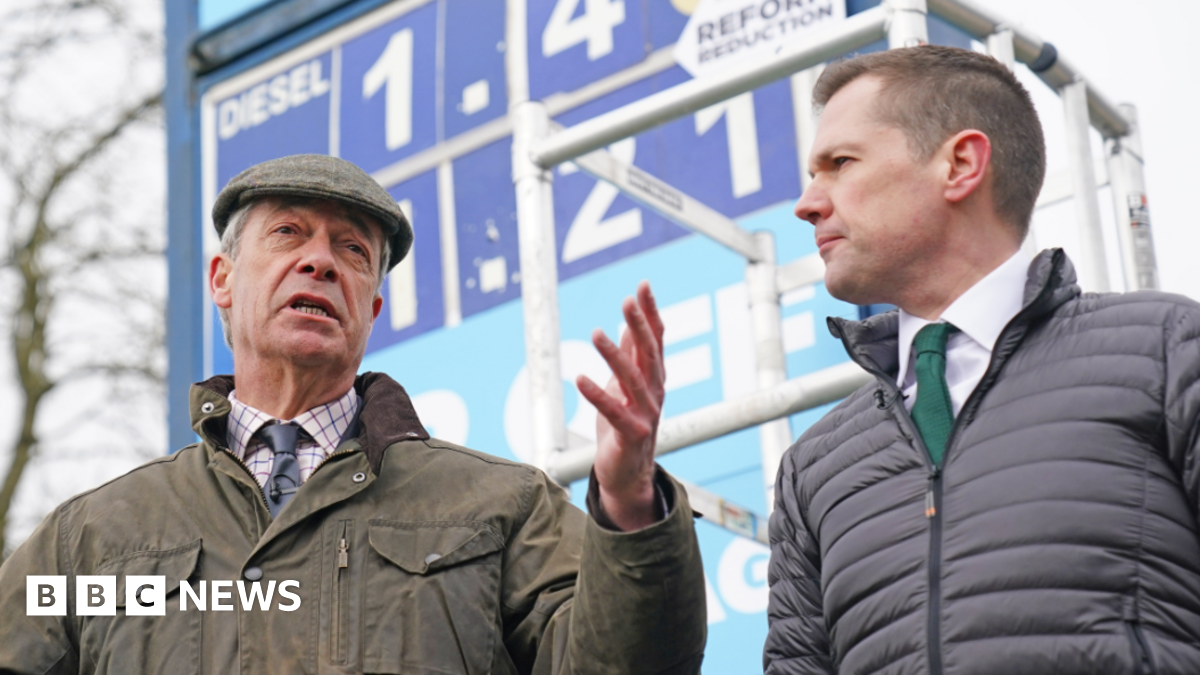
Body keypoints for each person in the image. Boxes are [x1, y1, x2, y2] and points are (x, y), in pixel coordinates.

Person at [0, 154, 706, 674]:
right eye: (288, 234)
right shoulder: (96, 539)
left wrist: (629, 502)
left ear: (370, 307)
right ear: (222, 279)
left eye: (352, 250)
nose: (320, 262)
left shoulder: (500, 507)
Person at [764, 45, 1200, 675]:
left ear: (961, 164)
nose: (807, 203)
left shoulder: (1164, 348)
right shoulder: (815, 468)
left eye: (840, 164)